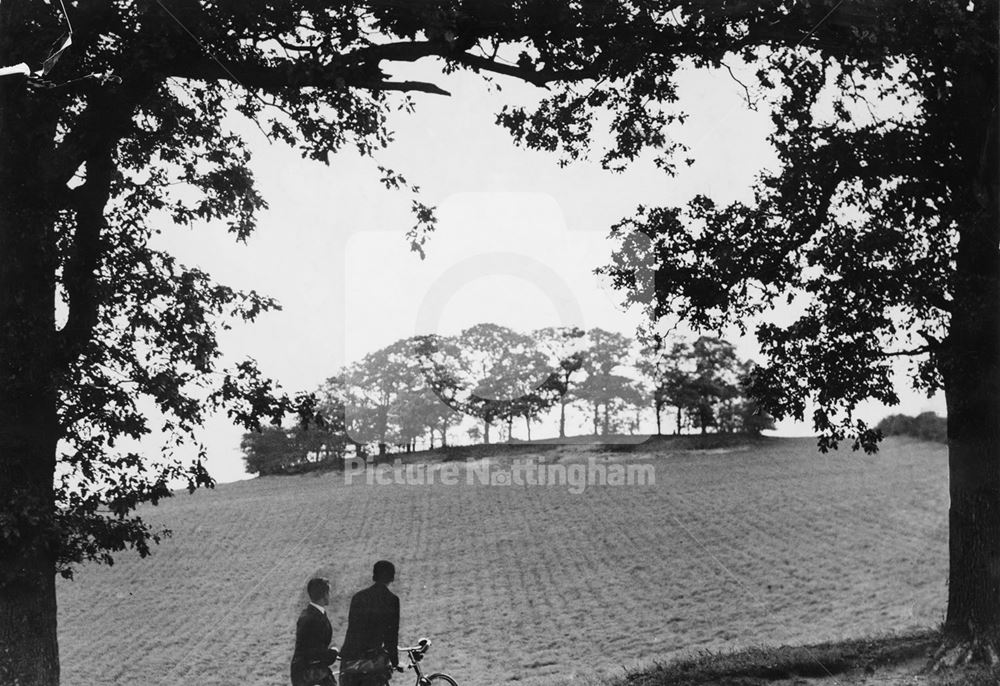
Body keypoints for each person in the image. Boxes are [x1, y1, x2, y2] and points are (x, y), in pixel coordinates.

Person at [339, 560, 401, 686]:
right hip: (370, 661)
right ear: (391, 577)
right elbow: (391, 636)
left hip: (350, 659)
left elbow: (352, 628)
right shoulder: (392, 600)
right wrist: (395, 661)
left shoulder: (358, 597)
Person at [290, 577, 340, 686]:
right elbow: (315, 652)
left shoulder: (308, 613)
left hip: (302, 670)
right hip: (309, 673)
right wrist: (333, 652)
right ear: (324, 595)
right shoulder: (315, 619)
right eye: (329, 592)